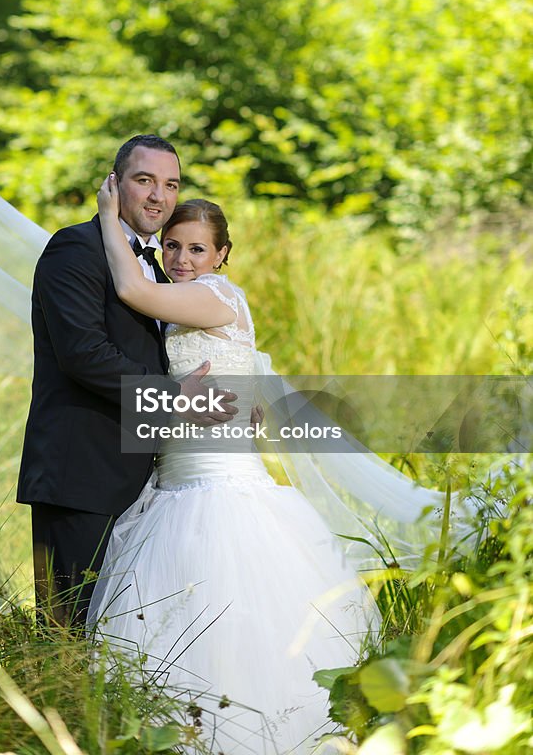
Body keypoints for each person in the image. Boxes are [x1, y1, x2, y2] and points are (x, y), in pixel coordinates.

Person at [89, 178, 380, 755]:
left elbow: (127, 285)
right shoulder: (181, 307)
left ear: (222, 254)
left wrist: (106, 211)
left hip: (217, 488)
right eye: (172, 246)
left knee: (228, 615)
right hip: (172, 481)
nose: (182, 259)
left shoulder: (214, 296)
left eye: (198, 249)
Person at [16, 135, 238, 628]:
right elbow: (84, 355)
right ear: (115, 184)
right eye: (145, 181)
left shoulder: (163, 270)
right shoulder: (74, 248)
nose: (159, 195)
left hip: (148, 485)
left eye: (171, 184)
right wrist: (173, 397)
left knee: (121, 641)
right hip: (81, 474)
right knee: (66, 634)